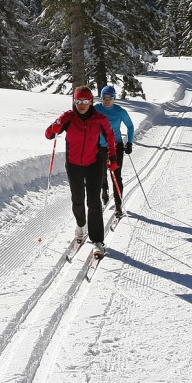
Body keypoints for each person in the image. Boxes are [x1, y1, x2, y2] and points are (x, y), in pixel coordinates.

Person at [45, 85, 118, 256]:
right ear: (74, 101)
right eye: (79, 101)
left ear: (91, 101)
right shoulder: (68, 118)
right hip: (74, 164)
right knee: (77, 199)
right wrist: (54, 128)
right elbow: (48, 134)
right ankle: (80, 225)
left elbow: (111, 138)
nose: (82, 104)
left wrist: (113, 158)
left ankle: (98, 240)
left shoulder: (99, 119)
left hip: (94, 164)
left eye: (86, 101)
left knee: (93, 202)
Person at [95, 85, 134, 217]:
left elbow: (130, 126)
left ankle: (118, 206)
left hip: (115, 147)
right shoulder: (96, 109)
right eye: (104, 98)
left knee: (116, 176)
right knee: (100, 174)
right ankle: (104, 193)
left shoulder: (120, 111)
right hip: (99, 147)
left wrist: (129, 142)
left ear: (114, 98)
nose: (107, 100)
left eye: (110, 98)